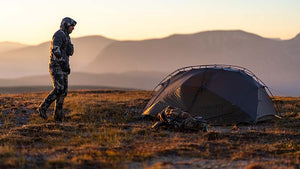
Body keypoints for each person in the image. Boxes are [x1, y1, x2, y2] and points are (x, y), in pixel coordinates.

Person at [37, 17, 77, 121]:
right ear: (65, 25)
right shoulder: (59, 34)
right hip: (56, 66)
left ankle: (58, 116)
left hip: (63, 67)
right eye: (71, 26)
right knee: (59, 89)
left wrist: (66, 66)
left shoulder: (67, 37)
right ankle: (43, 108)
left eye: (73, 26)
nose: (73, 28)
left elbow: (69, 52)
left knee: (63, 91)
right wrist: (62, 62)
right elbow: (55, 49)